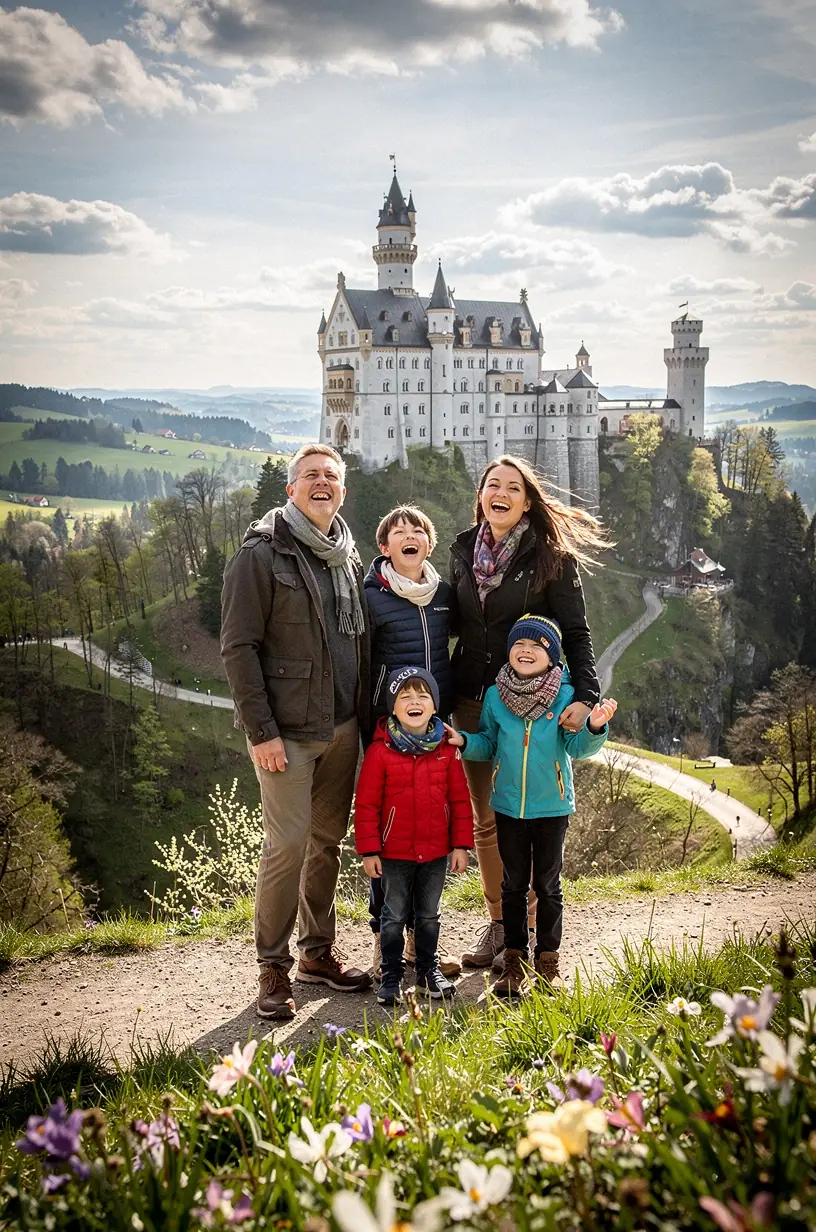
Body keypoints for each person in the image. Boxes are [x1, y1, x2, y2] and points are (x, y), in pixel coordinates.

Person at [221, 443, 373, 1021]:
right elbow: (238, 648)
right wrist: (260, 731)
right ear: (291, 490)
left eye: (331, 477)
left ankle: (316, 955)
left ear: (342, 490)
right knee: (286, 845)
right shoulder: (260, 555)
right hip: (285, 732)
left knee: (326, 842)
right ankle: (272, 969)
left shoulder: (347, 555)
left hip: (342, 726)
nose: (321, 483)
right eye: (310, 475)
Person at [449, 455, 606, 971]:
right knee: (487, 819)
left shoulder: (552, 557)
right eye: (492, 484)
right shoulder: (461, 550)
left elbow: (577, 632)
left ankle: (534, 933)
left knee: (528, 812)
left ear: (527, 501)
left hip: (537, 703)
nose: (500, 493)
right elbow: (448, 622)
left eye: (512, 487)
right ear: (481, 495)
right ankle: (502, 927)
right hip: (476, 696)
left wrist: (585, 695)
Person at [446, 615, 616, 995]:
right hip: (507, 806)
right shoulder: (495, 695)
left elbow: (576, 748)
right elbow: (489, 743)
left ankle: (548, 962)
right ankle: (513, 962)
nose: (526, 651)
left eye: (537, 647)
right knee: (513, 886)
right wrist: (464, 741)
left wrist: (594, 727)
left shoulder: (565, 697)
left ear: (553, 658)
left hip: (552, 807)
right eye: (519, 645)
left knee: (548, 885)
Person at [364, 504, 460, 980]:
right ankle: (386, 944)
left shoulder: (444, 594)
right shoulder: (372, 596)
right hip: (388, 725)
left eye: (417, 530)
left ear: (429, 543)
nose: (408, 536)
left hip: (434, 724)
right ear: (385, 549)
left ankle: (422, 949)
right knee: (390, 830)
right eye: (398, 532)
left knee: (429, 826)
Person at [354, 667, 473, 1007]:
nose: (414, 702)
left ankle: (426, 971)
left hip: (436, 852)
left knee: (429, 915)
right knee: (392, 916)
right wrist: (369, 850)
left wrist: (461, 845)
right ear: (393, 708)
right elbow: (366, 804)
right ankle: (391, 974)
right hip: (394, 853)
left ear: (435, 706)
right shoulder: (380, 752)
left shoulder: (447, 751)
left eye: (422, 696)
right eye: (405, 697)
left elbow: (461, 800)